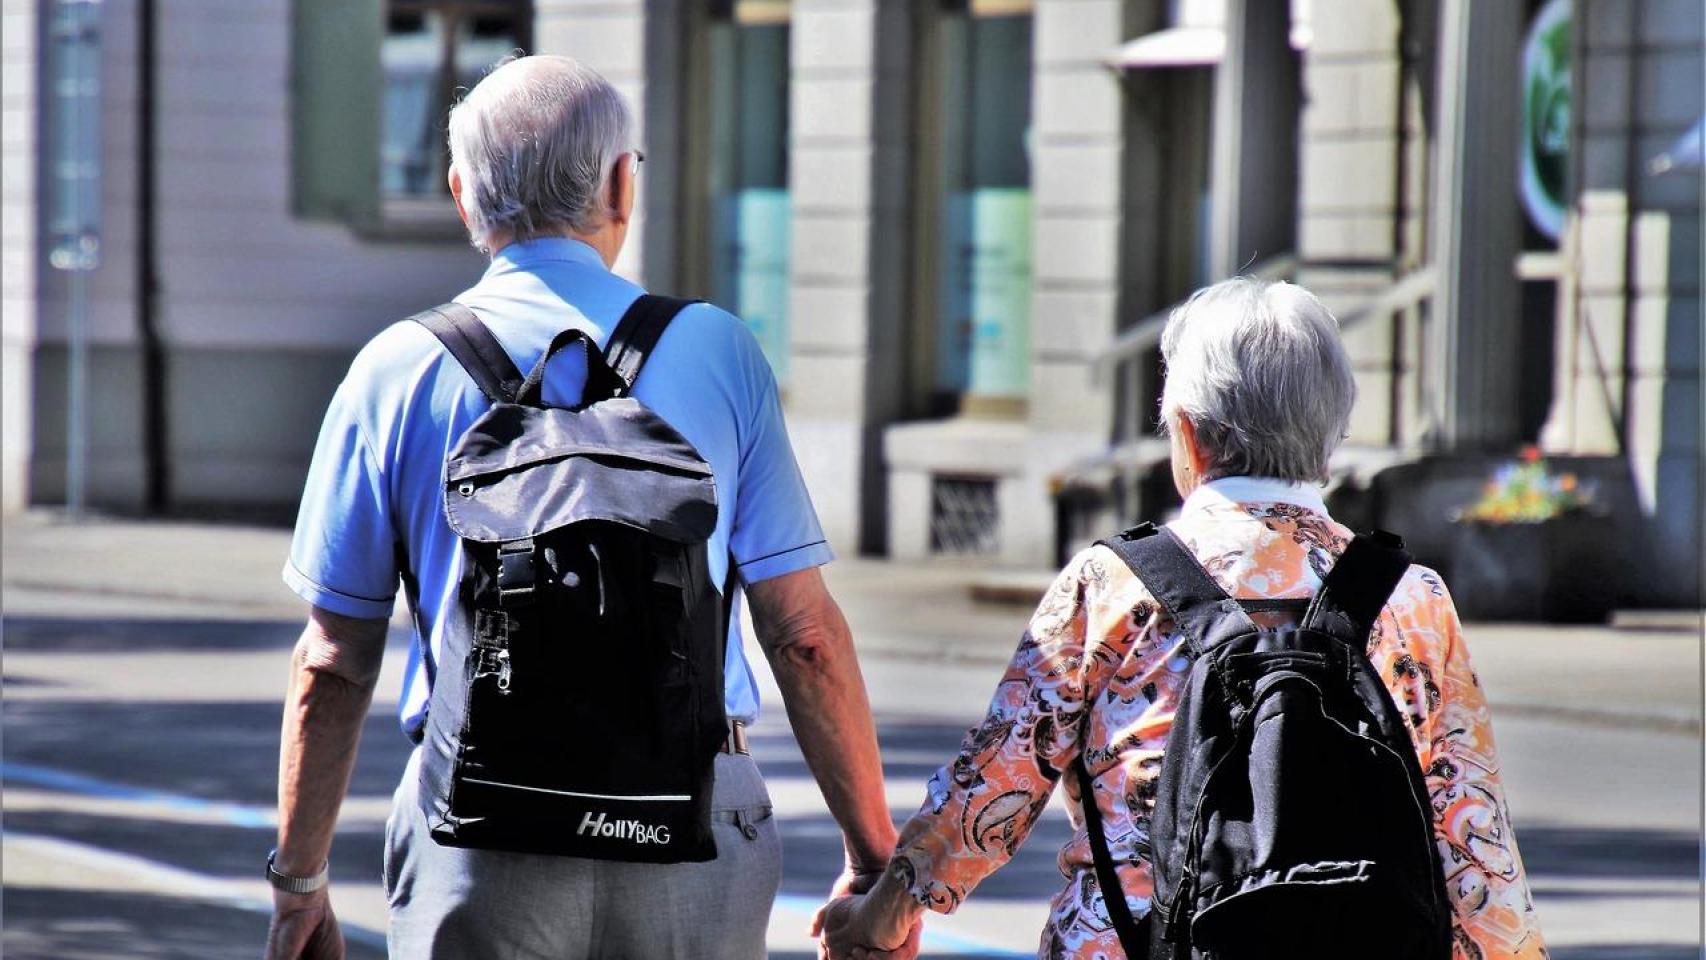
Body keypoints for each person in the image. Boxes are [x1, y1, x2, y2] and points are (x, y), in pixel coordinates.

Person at [264, 55, 912, 960]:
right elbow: (803, 635)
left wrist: (301, 884)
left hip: (480, 827)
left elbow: (333, 661)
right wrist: (874, 858)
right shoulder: (719, 353)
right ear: (619, 184)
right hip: (692, 822)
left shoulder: (394, 370)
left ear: (460, 193)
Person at [815, 278, 1549, 959]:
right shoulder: (1412, 597)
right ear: (1330, 436)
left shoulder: (1111, 585)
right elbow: (1471, 831)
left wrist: (883, 914)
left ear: (1190, 436)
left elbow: (996, 785)